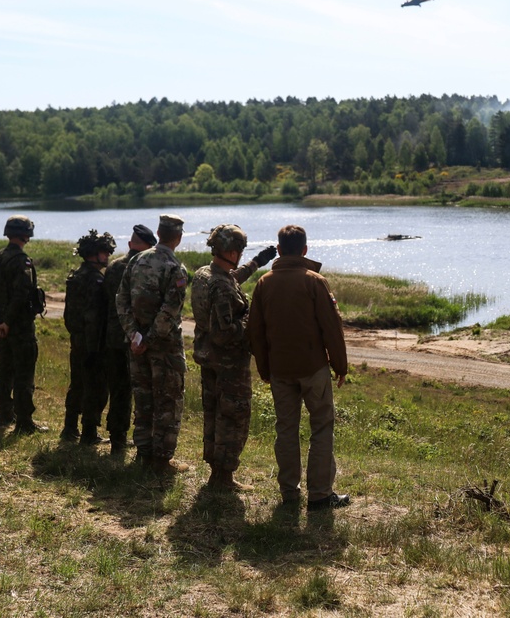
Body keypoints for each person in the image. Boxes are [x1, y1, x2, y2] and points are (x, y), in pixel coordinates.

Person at [248, 224, 350, 511]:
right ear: (305, 249)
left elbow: (255, 332)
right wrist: (341, 365)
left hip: (280, 370)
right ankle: (319, 495)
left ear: (278, 250)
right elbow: (332, 328)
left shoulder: (264, 283)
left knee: (286, 429)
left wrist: (265, 369)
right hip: (313, 367)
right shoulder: (315, 281)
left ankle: (289, 494)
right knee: (321, 427)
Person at [191, 225, 276, 491]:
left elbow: (231, 279)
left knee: (214, 414)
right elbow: (225, 332)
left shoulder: (205, 274)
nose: (240, 255)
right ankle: (223, 477)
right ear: (230, 251)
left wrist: (257, 263)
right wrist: (253, 320)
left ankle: (216, 472)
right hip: (229, 365)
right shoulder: (222, 284)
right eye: (239, 251)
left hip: (209, 359)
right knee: (233, 417)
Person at [116, 214, 190, 474]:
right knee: (167, 402)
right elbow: (170, 312)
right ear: (178, 238)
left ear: (158, 233)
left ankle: (143, 453)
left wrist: (133, 334)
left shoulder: (137, 259)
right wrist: (148, 339)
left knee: (144, 399)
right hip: (164, 349)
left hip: (137, 347)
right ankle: (161, 461)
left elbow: (121, 300)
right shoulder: (175, 268)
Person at [0, 215, 48, 434]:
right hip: (19, 328)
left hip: (3, 327)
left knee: (5, 370)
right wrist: (8, 322)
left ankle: (5, 415)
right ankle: (24, 422)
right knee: (23, 374)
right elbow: (21, 295)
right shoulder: (22, 261)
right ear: (26, 235)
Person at [102, 224, 157, 456]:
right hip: (136, 340)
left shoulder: (114, 267)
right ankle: (139, 440)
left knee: (118, 391)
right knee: (140, 392)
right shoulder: (145, 267)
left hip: (114, 338)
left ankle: (117, 439)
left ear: (130, 244)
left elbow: (106, 299)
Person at [61, 230, 116, 445]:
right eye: (104, 252)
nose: (108, 256)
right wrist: (95, 349)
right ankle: (89, 432)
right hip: (92, 343)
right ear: (94, 254)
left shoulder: (76, 275)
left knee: (77, 384)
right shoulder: (95, 280)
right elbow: (94, 317)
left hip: (78, 339)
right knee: (96, 387)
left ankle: (70, 427)